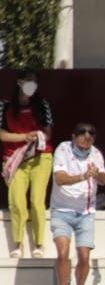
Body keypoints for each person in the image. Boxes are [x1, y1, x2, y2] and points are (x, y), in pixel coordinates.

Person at [49, 123, 105, 285]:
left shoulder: (96, 154)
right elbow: (60, 178)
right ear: (73, 136)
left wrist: (95, 173)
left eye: (91, 133)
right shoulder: (63, 149)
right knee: (63, 252)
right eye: (82, 133)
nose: (87, 136)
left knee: (84, 256)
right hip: (62, 210)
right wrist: (84, 175)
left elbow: (104, 180)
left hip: (86, 211)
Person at [1, 69, 53, 259]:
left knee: (36, 200)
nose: (32, 85)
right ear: (19, 82)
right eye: (28, 81)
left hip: (41, 157)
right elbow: (2, 134)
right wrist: (24, 137)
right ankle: (18, 244)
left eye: (35, 81)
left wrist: (36, 137)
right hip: (13, 159)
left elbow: (48, 134)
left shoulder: (42, 105)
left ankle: (39, 244)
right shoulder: (5, 107)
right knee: (16, 201)